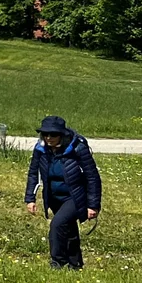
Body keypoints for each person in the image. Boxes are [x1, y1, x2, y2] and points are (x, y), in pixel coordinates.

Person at [24, 114, 101, 269]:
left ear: (62, 134)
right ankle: (75, 264)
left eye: (53, 134)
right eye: (45, 134)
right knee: (69, 229)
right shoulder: (41, 150)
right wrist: (30, 198)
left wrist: (93, 205)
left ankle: (57, 262)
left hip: (74, 196)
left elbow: (92, 177)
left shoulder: (78, 148)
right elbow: (34, 173)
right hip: (53, 197)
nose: (49, 138)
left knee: (57, 225)